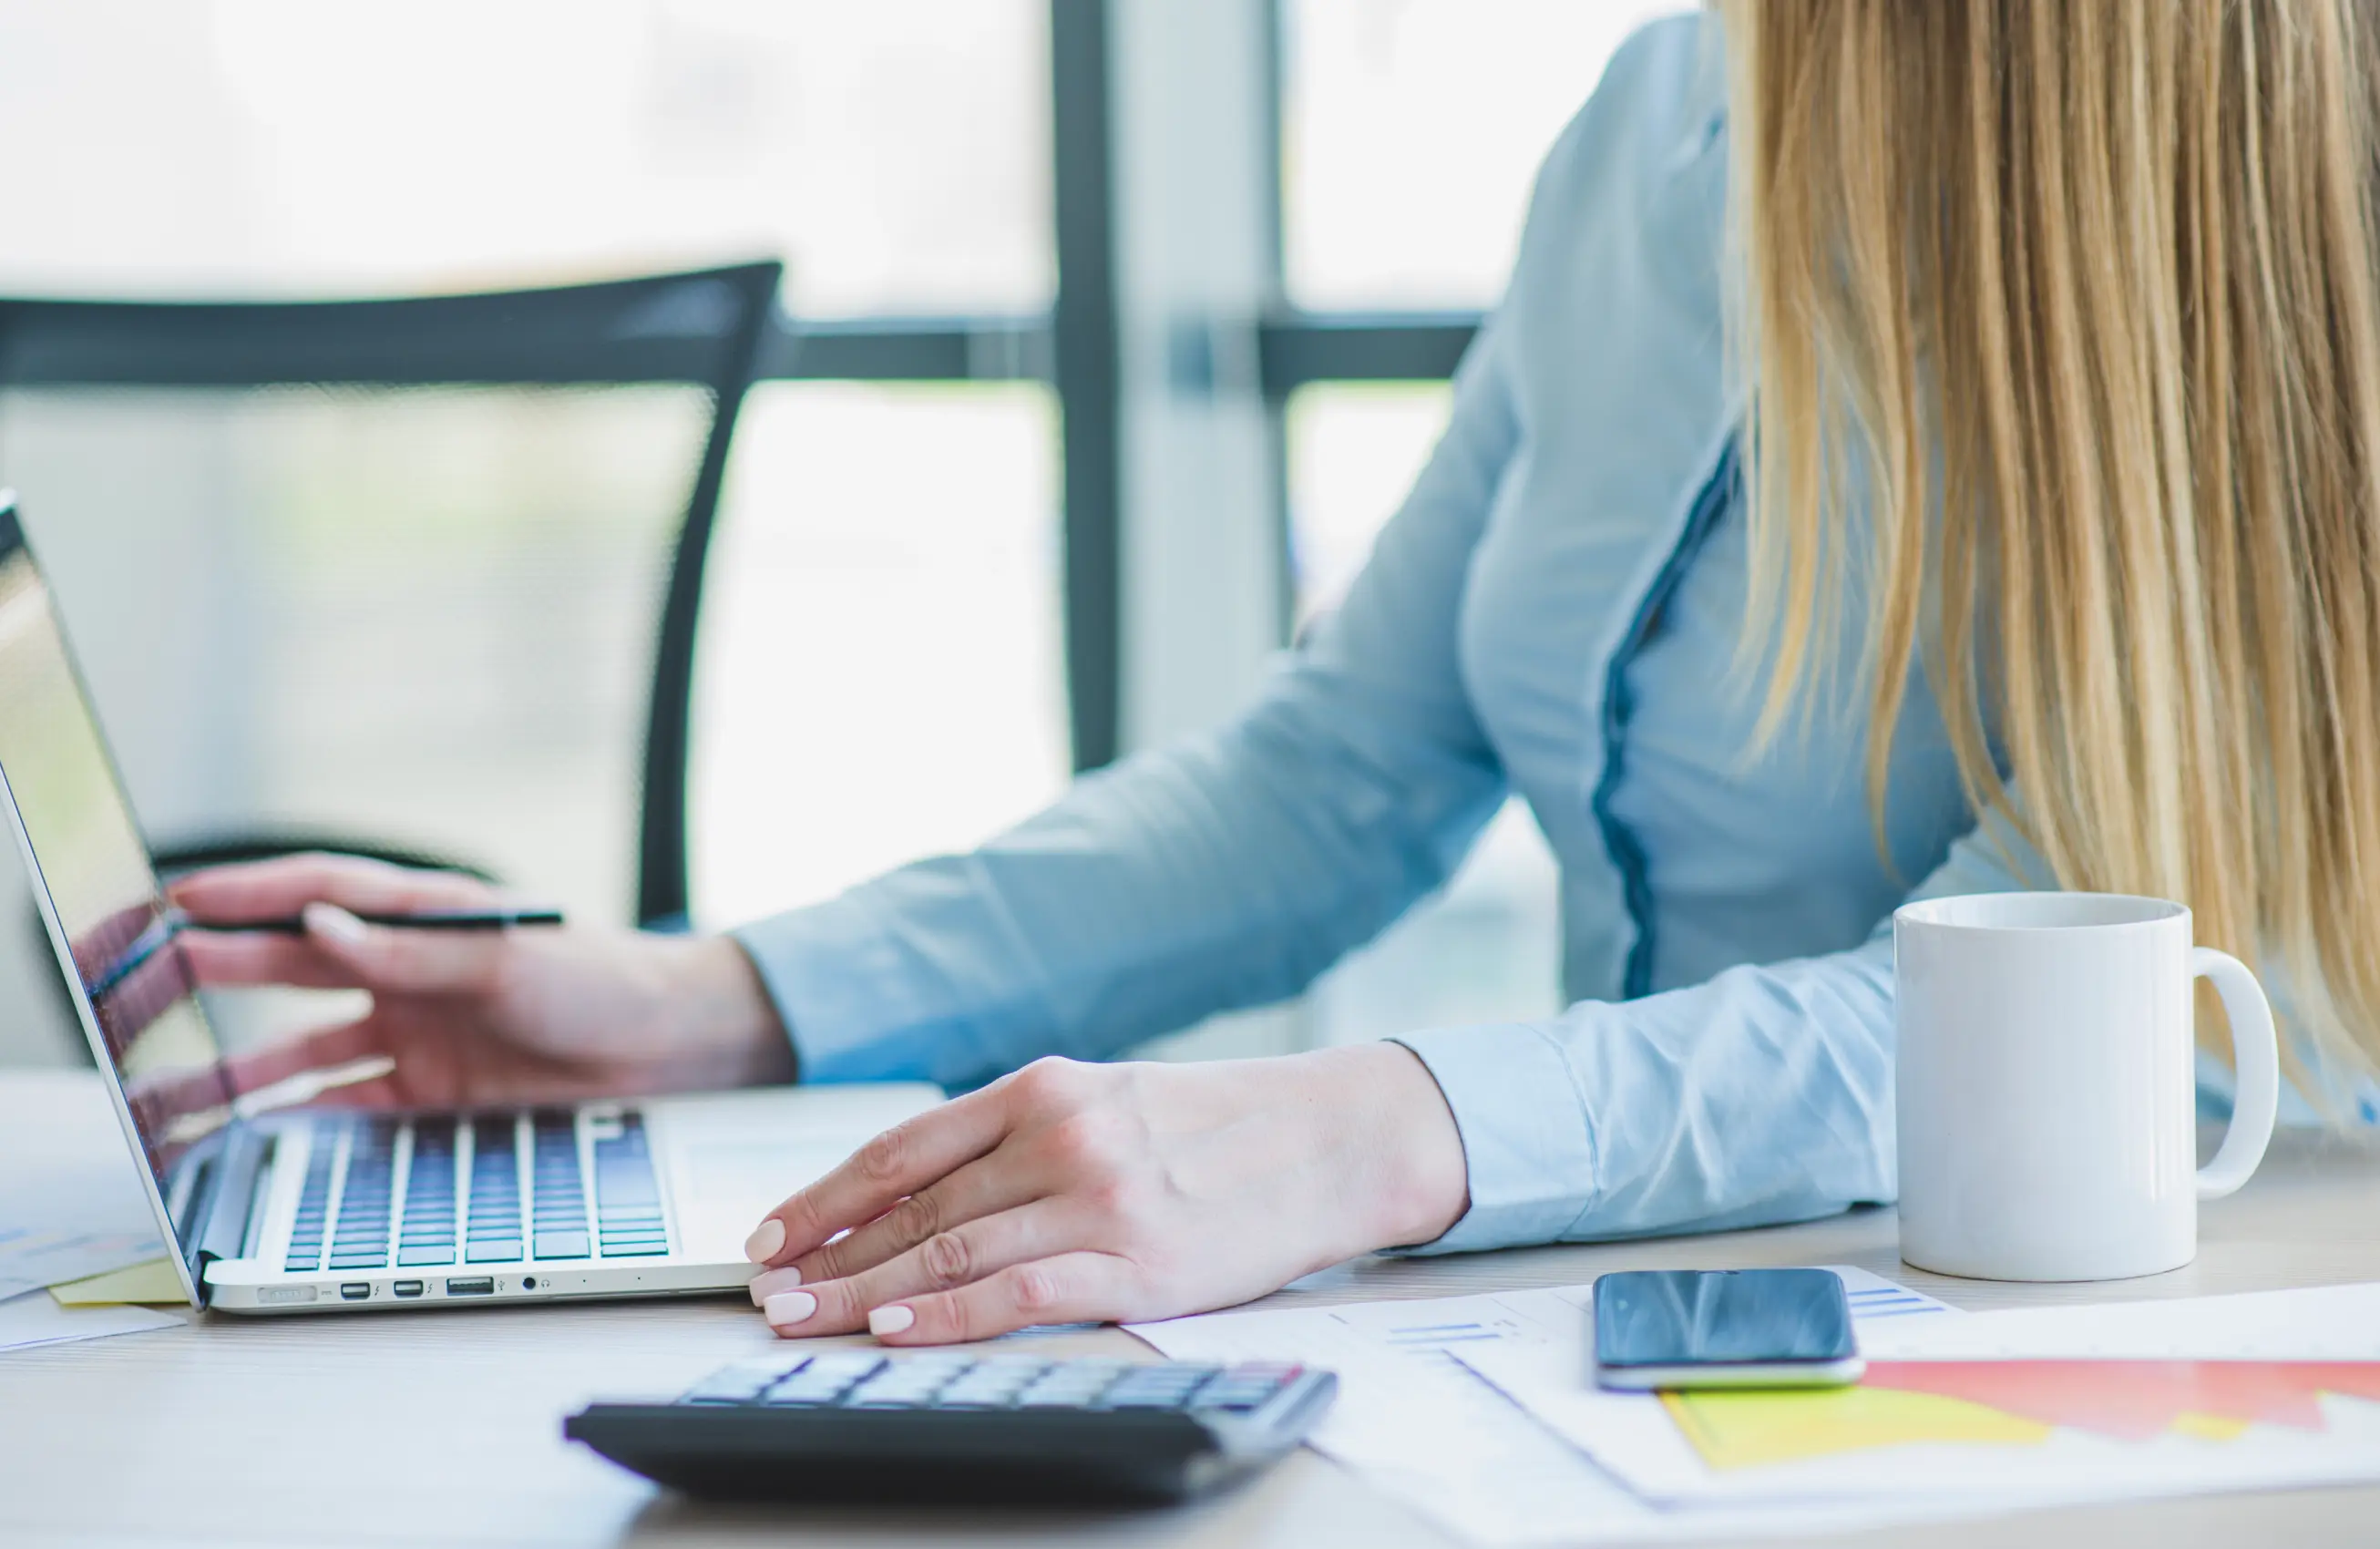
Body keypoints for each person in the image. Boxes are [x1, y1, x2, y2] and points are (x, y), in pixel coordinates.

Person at [173, 2, 2380, 1346]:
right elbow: (1343, 765)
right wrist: (716, 995)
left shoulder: (2259, 201)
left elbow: (2064, 1019)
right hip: (1614, 1345)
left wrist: (1371, 1136)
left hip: (2089, 1355)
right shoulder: (1656, 120)